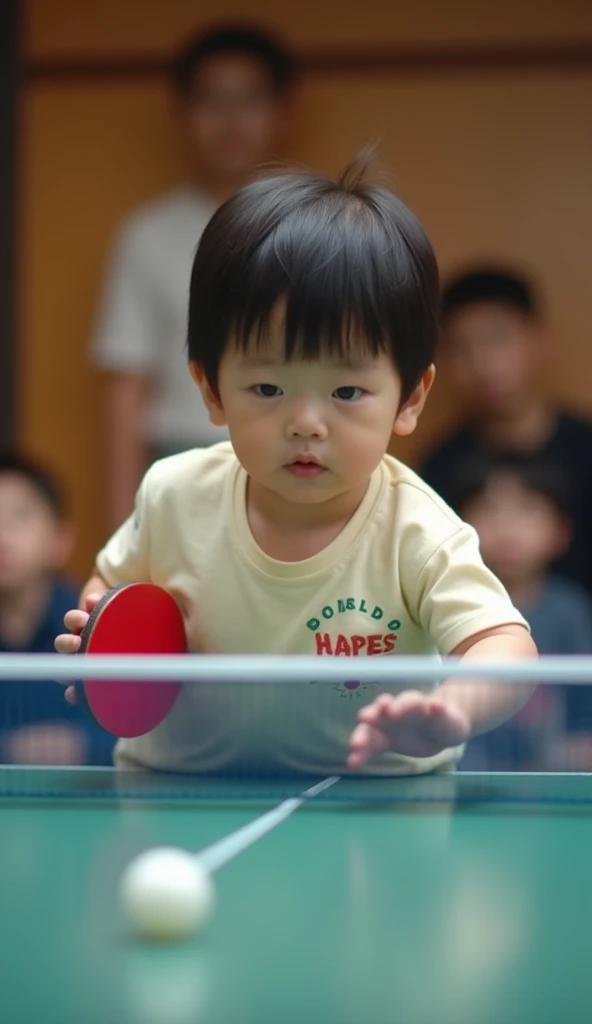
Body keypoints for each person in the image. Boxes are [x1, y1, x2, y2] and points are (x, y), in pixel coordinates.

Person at [57, 158, 536, 778]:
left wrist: (455, 706)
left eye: (345, 393)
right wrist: (93, 635)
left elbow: (506, 647)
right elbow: (109, 591)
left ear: (410, 399)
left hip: (374, 816)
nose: (305, 423)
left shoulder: (419, 532)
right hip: (179, 791)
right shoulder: (173, 494)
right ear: (210, 390)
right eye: (266, 388)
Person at [91, 24, 296, 529]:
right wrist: (124, 528)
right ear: (181, 113)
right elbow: (126, 387)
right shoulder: (147, 233)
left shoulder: (315, 223)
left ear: (282, 111)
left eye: (248, 99)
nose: (230, 120)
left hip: (296, 453)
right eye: (212, 100)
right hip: (180, 458)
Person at [420, 268, 592, 596]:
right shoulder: (440, 464)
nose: (482, 362)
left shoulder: (586, 448)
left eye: (497, 339)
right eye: (461, 347)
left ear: (538, 339)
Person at [450, 450, 592, 769]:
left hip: (551, 776)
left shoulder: (570, 610)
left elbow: (585, 702)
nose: (507, 529)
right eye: (489, 510)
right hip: (461, 772)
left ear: (561, 532)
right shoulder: (446, 605)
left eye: (526, 511)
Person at [0, 453, 113, 765]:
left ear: (60, 540)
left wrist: (83, 746)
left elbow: (139, 735)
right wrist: (9, 748)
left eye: (19, 517)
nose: (3, 535)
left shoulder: (91, 624)